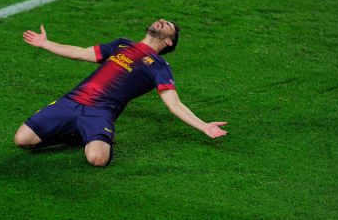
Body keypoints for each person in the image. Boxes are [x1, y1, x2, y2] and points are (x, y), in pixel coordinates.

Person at [14, 19, 227, 167]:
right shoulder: (121, 44)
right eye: (160, 19)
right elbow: (79, 53)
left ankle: (87, 137)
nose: (161, 20)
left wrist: (204, 126)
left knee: (97, 159)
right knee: (22, 140)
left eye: (167, 24)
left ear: (169, 41)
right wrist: (45, 43)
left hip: (101, 112)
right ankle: (76, 136)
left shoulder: (160, 67)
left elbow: (174, 104)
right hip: (71, 102)